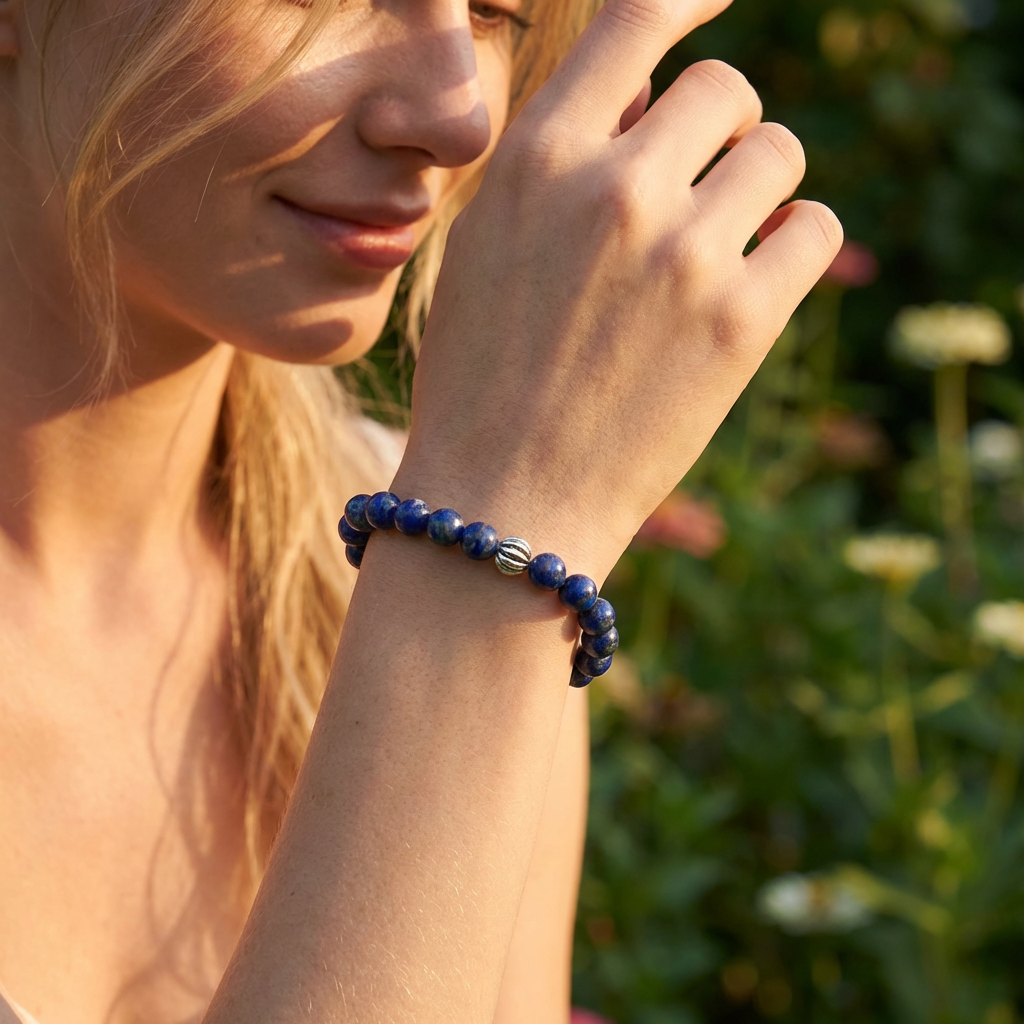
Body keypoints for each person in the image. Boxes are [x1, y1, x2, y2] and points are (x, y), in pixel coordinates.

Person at [0, 0, 842, 1012]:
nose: (460, 118)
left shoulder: (420, 546)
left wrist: (499, 536)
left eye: (495, 9)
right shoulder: (468, 547)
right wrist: (490, 541)